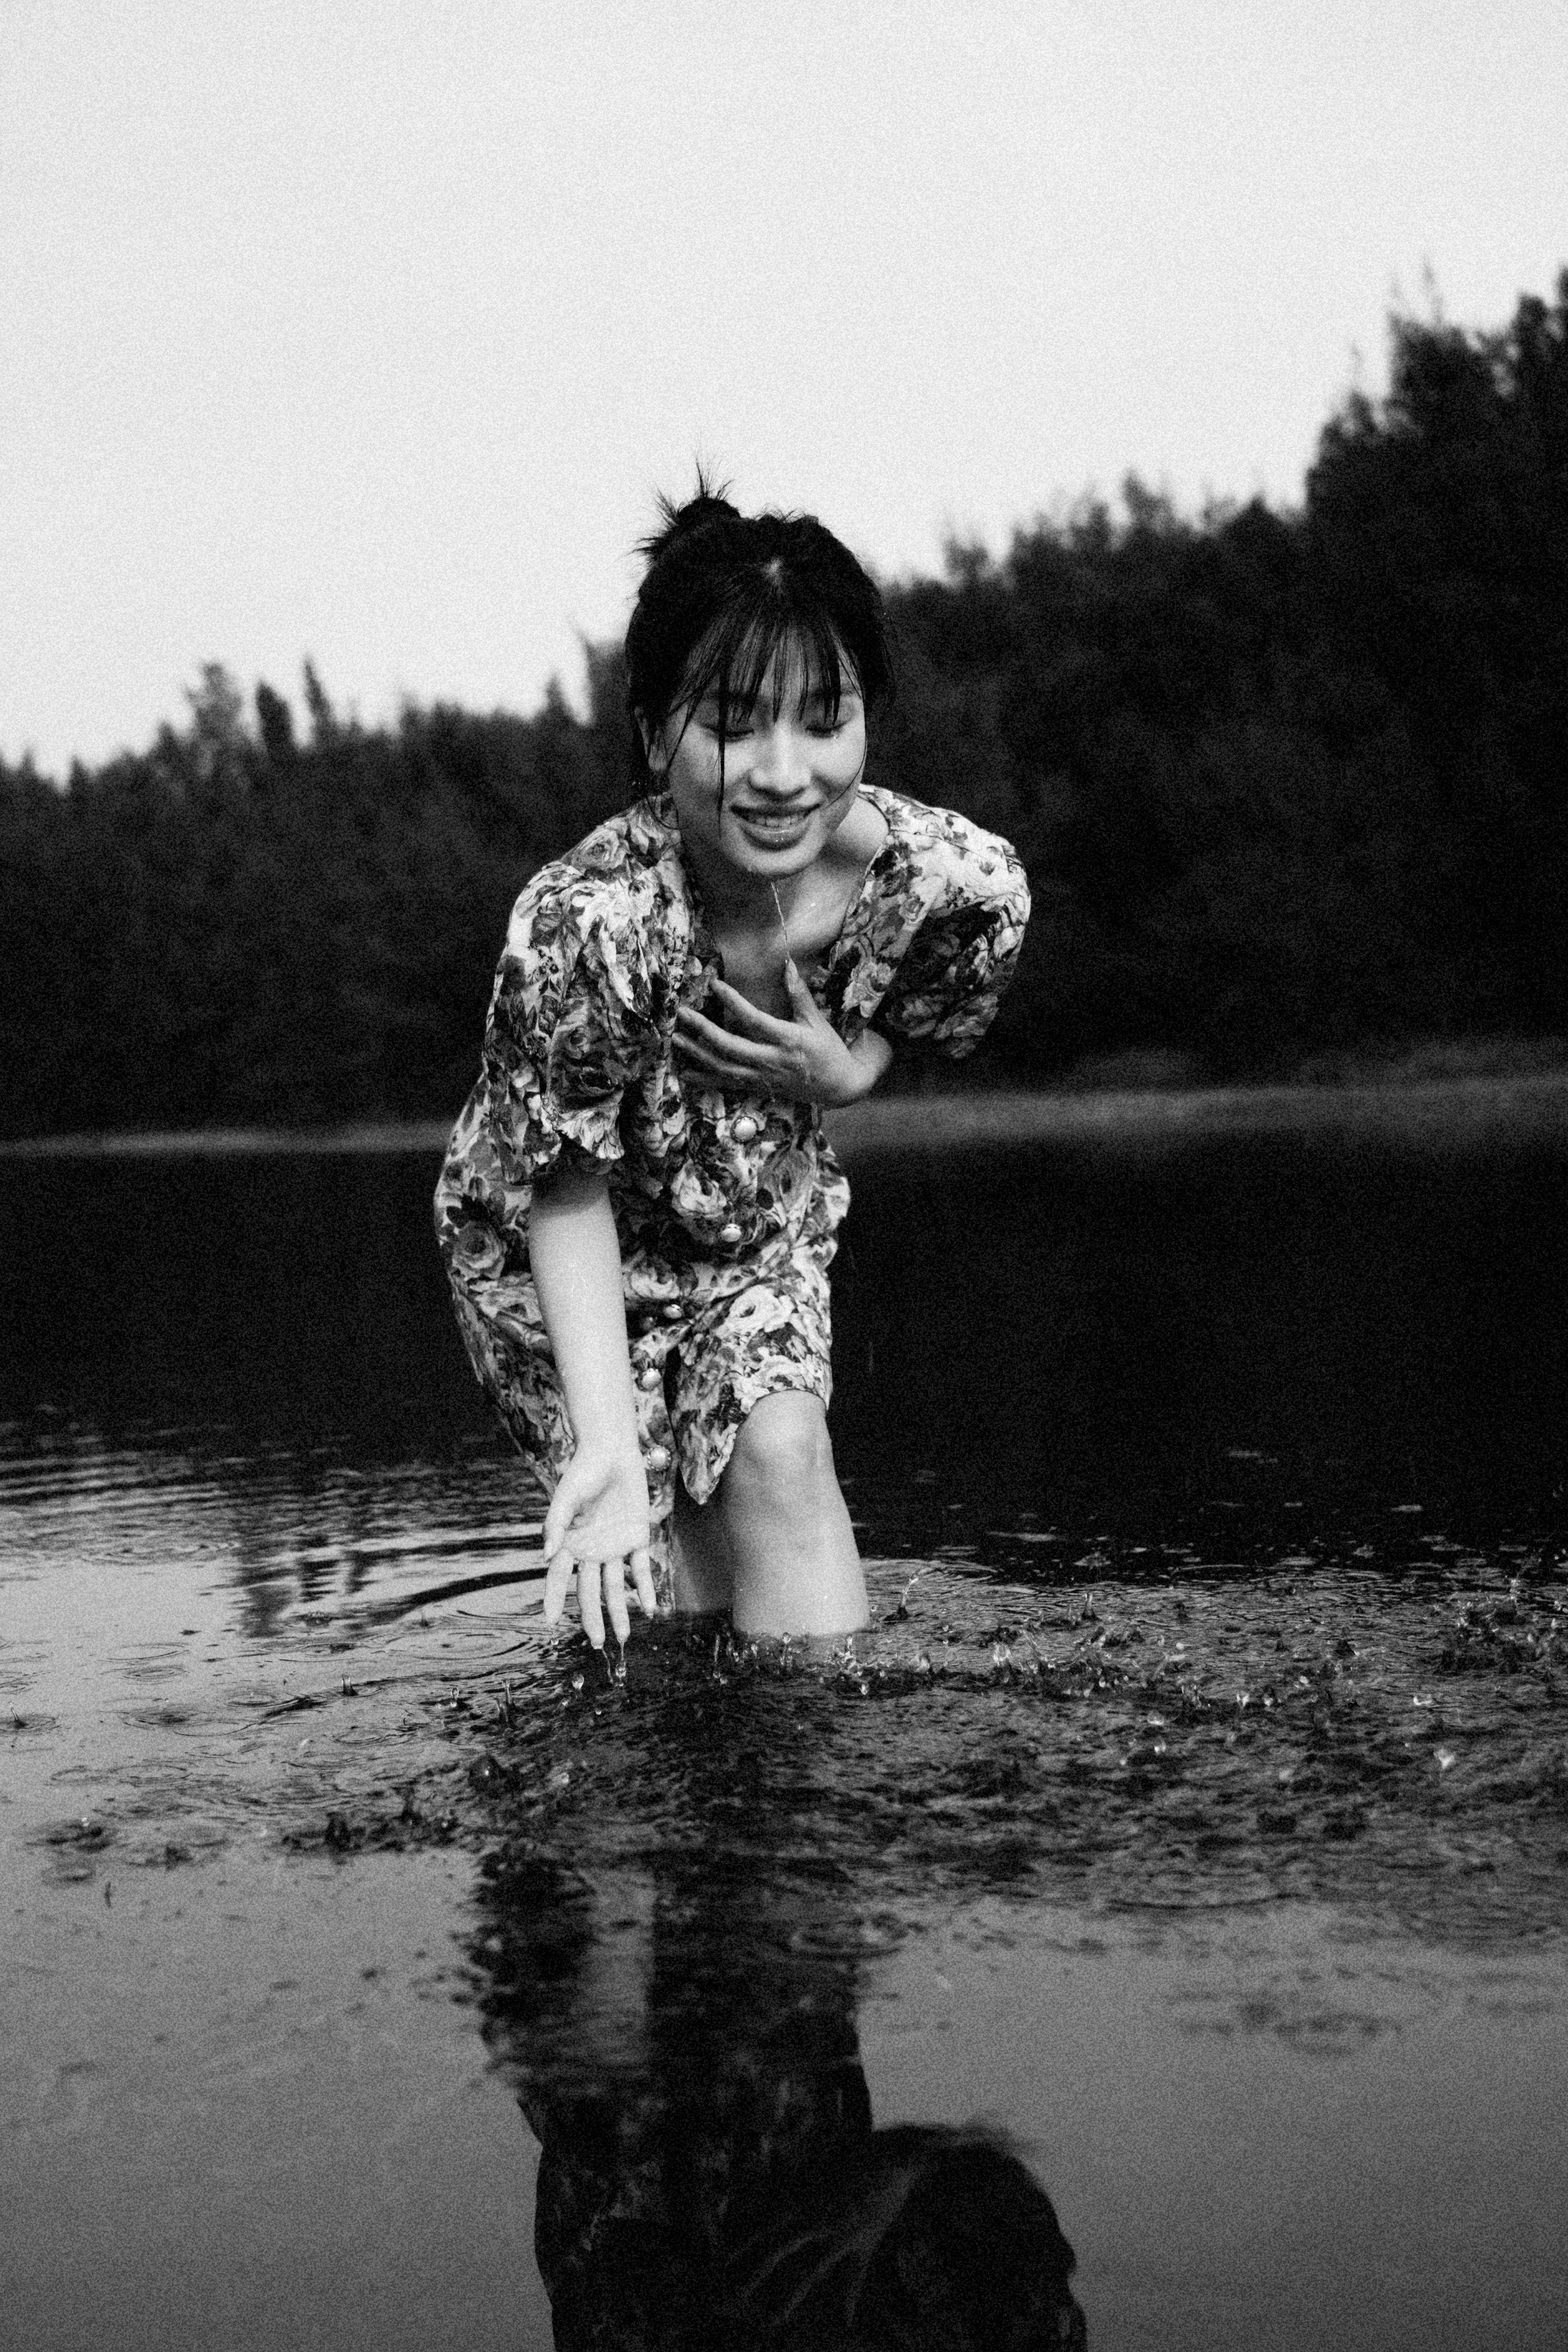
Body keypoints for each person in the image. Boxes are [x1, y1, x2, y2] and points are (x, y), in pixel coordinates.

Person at [434, 486, 1029, 1646]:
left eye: (824, 715)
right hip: (560, 1251)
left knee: (783, 1454)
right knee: (663, 1578)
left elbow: (943, 987)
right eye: (736, 721)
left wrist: (853, 1068)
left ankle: (822, 1790)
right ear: (656, 732)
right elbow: (563, 1187)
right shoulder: (592, 922)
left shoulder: (946, 879)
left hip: (753, 1219)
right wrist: (610, 1446)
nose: (783, 771)